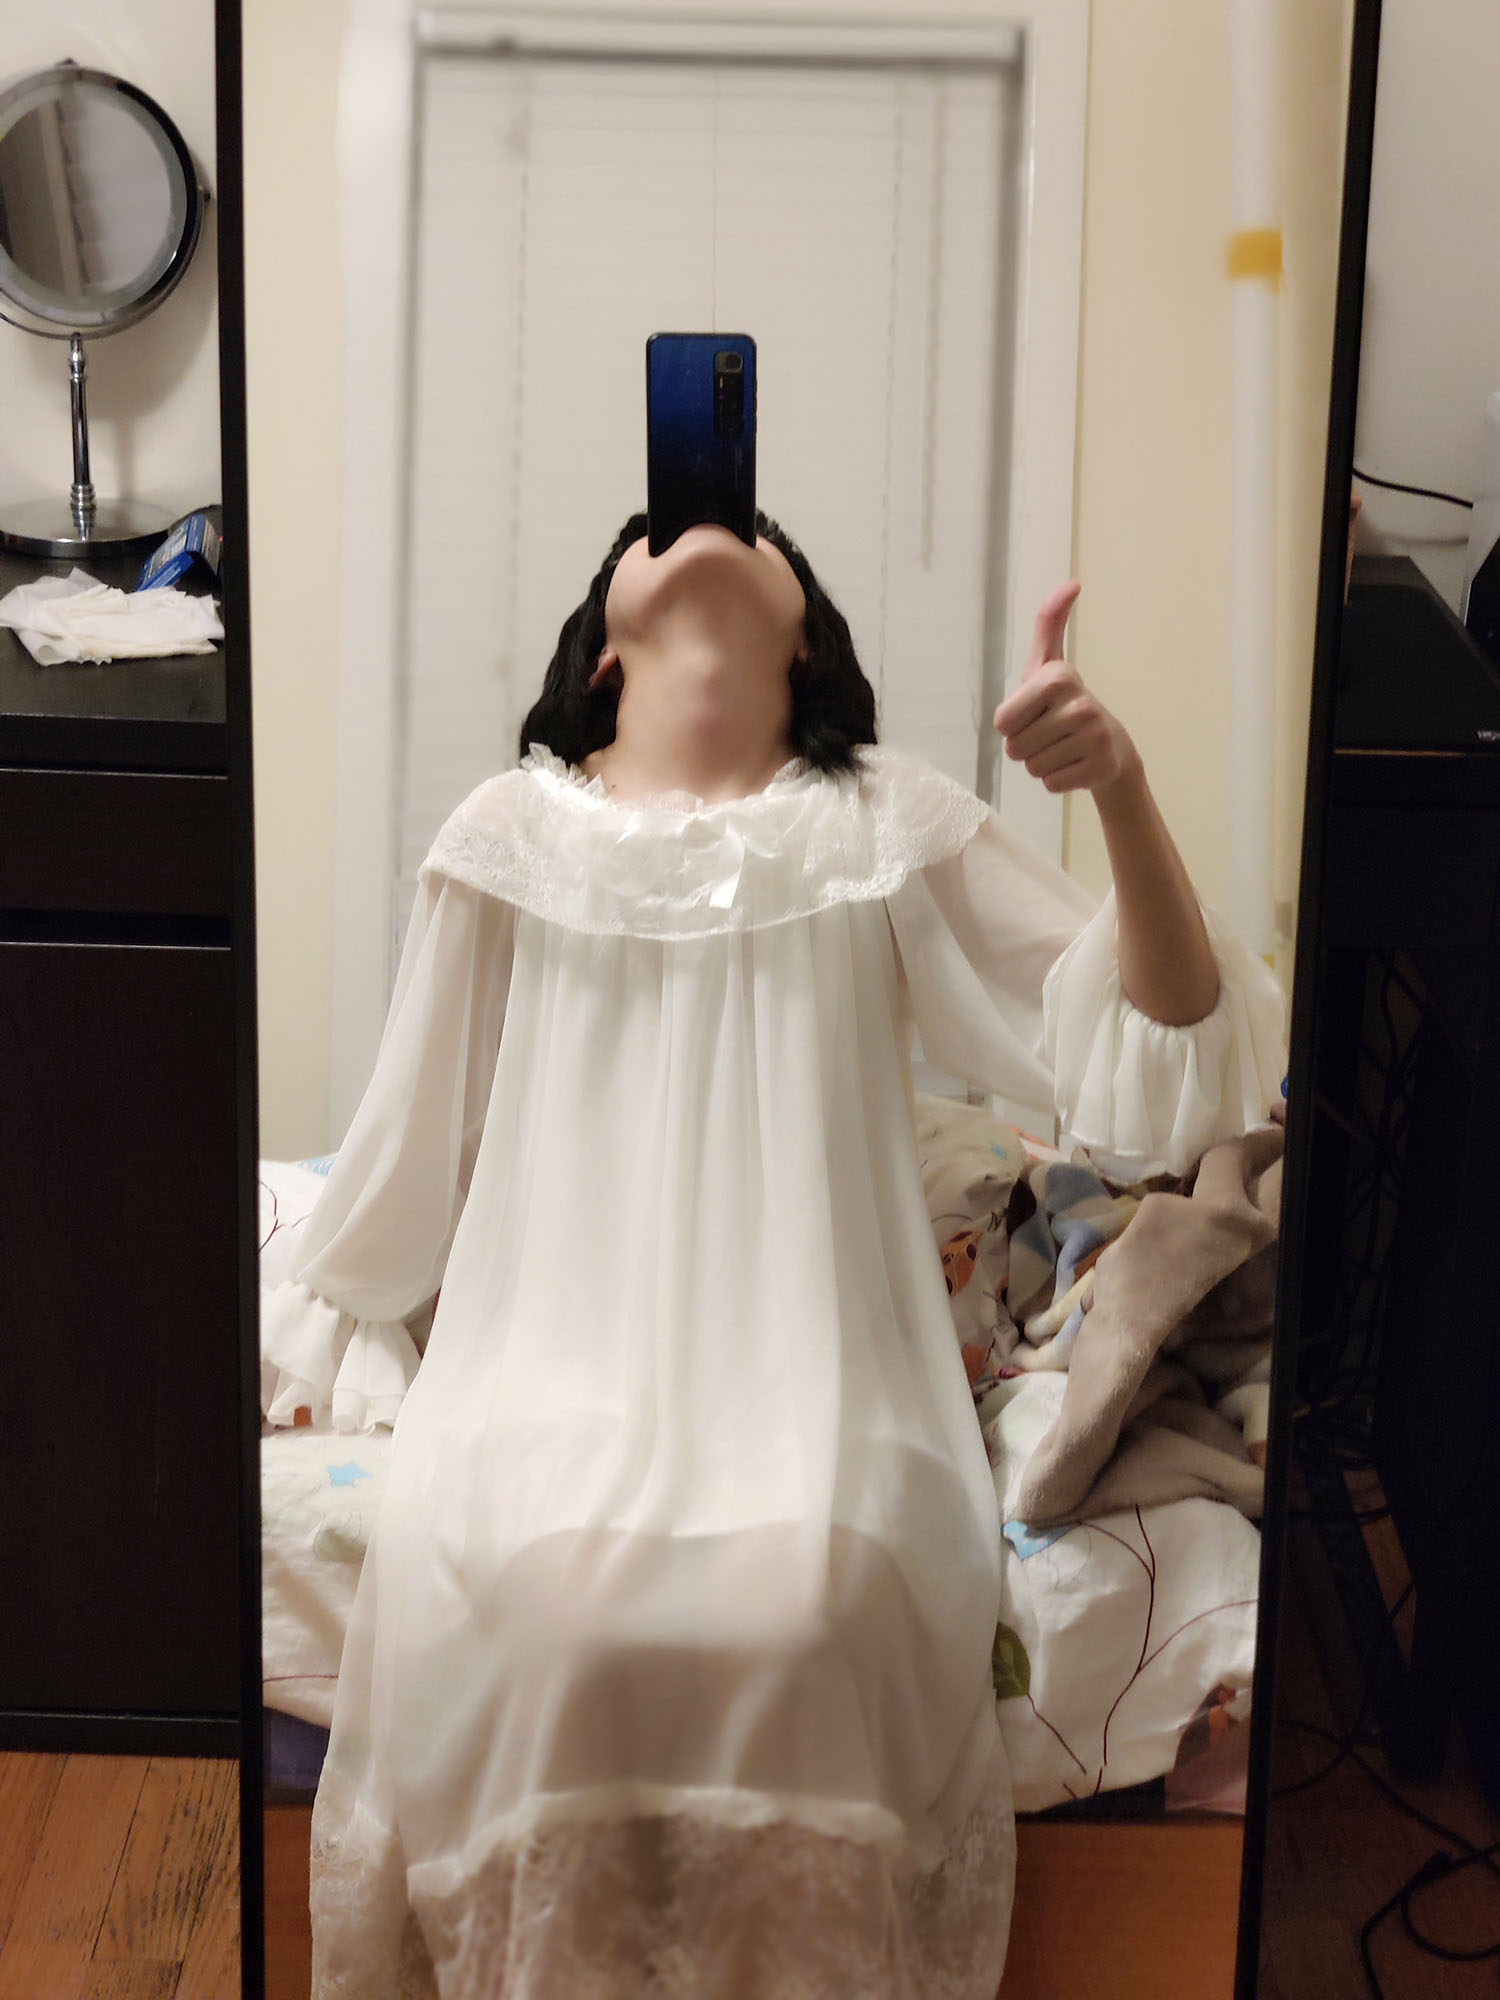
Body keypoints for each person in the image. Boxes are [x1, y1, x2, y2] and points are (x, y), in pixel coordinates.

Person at [264, 510, 1285, 1999]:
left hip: (822, 1377)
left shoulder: (886, 821)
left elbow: (1161, 1057)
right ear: (603, 652)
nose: (701, 525)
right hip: (550, 1371)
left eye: (752, 527)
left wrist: (1119, 786)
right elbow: (404, 1157)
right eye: (653, 528)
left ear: (806, 642)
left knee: (809, 1605)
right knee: (552, 1613)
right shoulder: (501, 837)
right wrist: (337, 1310)